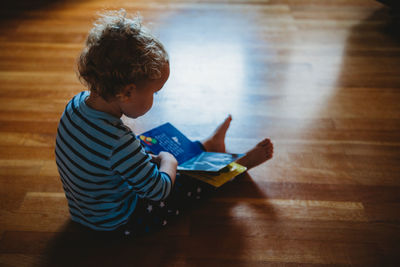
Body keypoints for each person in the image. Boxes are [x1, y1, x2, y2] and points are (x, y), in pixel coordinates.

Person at [55, 9, 273, 236]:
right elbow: (160, 191)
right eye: (155, 93)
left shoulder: (76, 104)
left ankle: (206, 146)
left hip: (84, 211)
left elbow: (98, 156)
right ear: (128, 92)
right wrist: (168, 161)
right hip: (118, 222)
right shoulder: (119, 142)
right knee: (183, 183)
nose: (155, 99)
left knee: (150, 151)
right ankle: (238, 167)